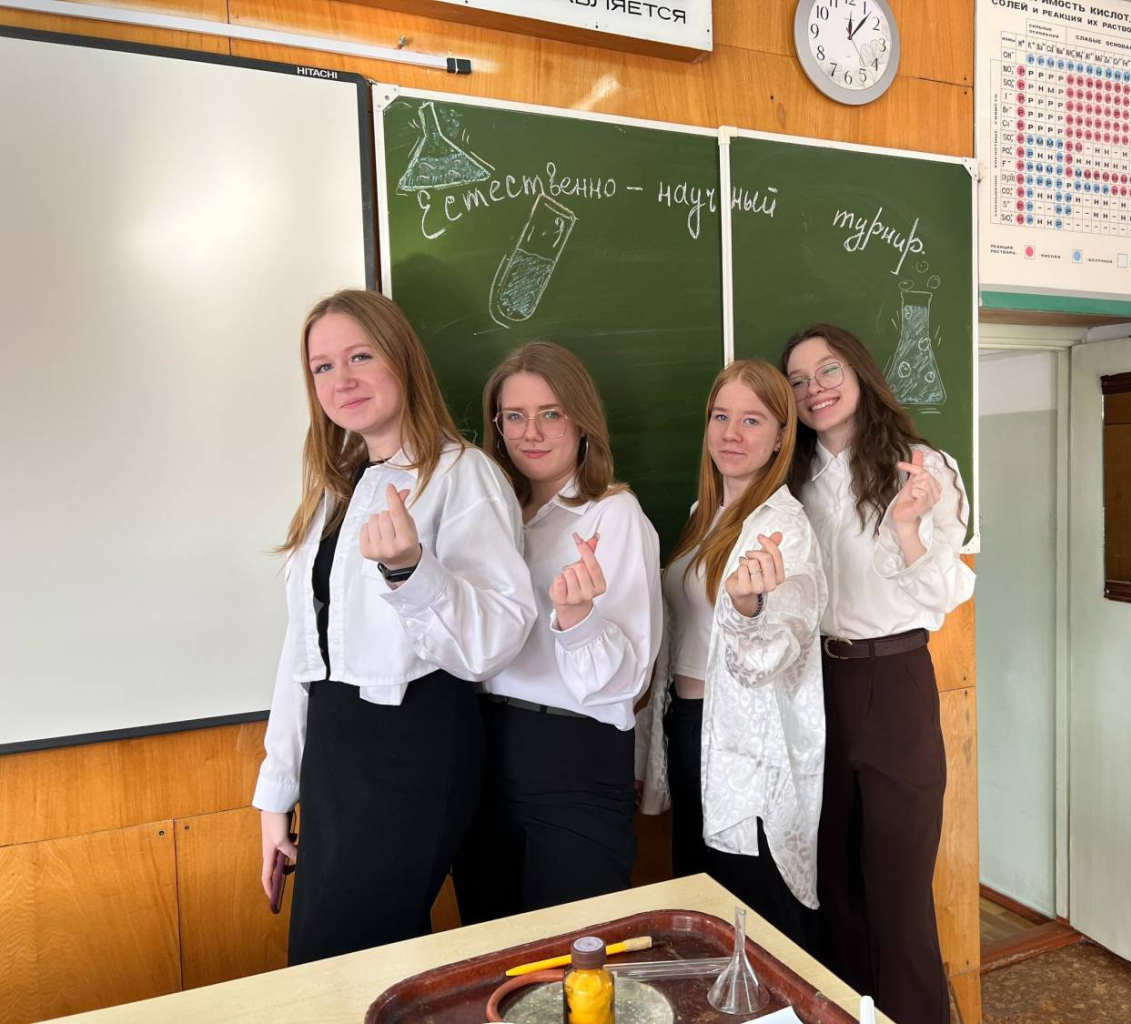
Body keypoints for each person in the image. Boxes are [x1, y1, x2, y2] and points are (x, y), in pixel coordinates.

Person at [252, 289, 536, 965]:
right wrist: (276, 793)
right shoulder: (334, 490)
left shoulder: (462, 475)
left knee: (342, 962)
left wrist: (412, 571)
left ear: (402, 359)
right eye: (322, 367)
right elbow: (303, 652)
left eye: (360, 357)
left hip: (413, 747)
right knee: (359, 967)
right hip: (334, 751)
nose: (341, 380)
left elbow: (496, 638)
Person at [781, 324, 975, 1024]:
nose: (814, 390)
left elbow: (946, 595)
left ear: (860, 373)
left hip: (893, 678)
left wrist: (908, 528)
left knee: (898, 890)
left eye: (828, 370)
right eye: (798, 381)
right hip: (811, 683)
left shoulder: (921, 467)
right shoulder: (787, 479)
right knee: (832, 883)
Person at [452, 342, 662, 920]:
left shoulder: (612, 514)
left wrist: (578, 620)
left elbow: (625, 684)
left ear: (582, 420)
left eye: (551, 413)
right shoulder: (486, 519)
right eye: (514, 416)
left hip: (575, 760)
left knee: (574, 951)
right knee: (490, 944)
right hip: (480, 754)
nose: (532, 433)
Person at [637, 359, 827, 952]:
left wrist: (749, 610)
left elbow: (779, 649)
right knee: (705, 900)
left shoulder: (784, 527)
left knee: (754, 905)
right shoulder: (705, 515)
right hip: (689, 727)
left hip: (745, 743)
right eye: (721, 417)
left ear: (780, 437)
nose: (731, 434)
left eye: (752, 420)